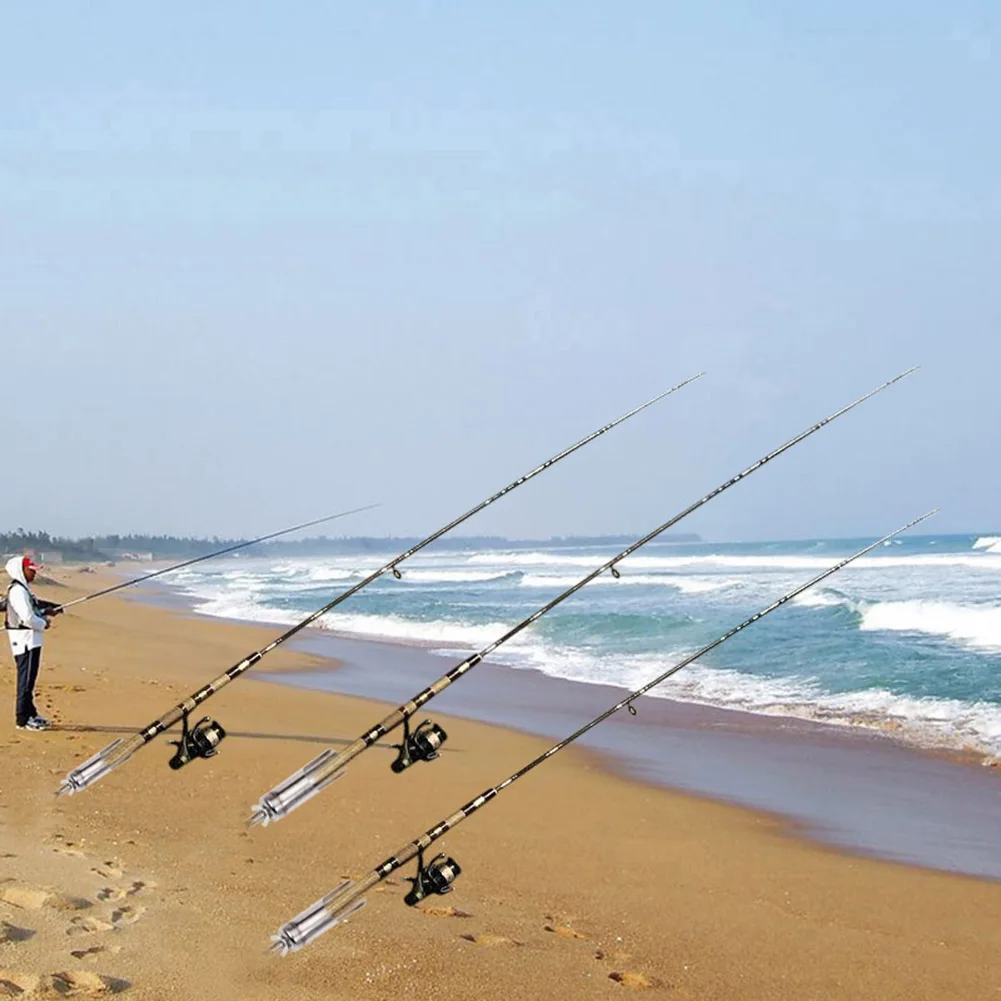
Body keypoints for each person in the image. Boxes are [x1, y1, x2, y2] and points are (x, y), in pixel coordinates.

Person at [4, 555, 61, 730]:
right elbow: (28, 618)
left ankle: (31, 713)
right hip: (25, 642)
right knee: (26, 682)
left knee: (29, 680)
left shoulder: (23, 590)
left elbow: (32, 611)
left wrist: (46, 612)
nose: (34, 573)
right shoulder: (18, 591)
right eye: (31, 570)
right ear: (21, 571)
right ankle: (22, 719)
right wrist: (43, 623)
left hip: (31, 641)